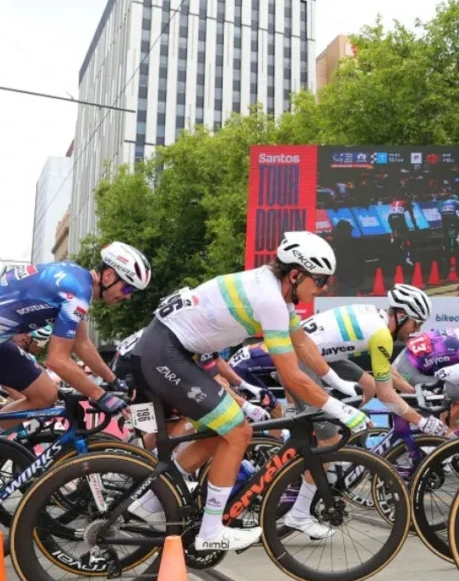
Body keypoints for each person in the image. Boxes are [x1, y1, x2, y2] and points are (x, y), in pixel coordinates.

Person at [129, 232, 367, 549]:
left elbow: (303, 343)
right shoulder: (269, 299)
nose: (323, 288)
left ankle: (151, 501)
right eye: (320, 280)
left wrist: (339, 384)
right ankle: (210, 533)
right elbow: (292, 376)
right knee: (239, 431)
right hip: (165, 353)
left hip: (170, 350)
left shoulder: (274, 290)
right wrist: (341, 410)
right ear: (296, 274)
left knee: (220, 432)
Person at [0, 243, 150, 521]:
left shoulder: (77, 279)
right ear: (109, 277)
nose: (127, 297)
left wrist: (115, 382)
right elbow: (58, 361)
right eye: (127, 289)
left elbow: (82, 344)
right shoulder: (76, 291)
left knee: (45, 394)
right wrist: (102, 396)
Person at [223, 284, 449, 437]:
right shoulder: (381, 334)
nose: (415, 330)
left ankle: (336, 425)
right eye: (416, 324)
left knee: (369, 385)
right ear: (402, 316)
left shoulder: (376, 318)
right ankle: (321, 436)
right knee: (327, 438)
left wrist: (412, 391)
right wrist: (422, 422)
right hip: (301, 359)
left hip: (319, 354)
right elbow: (387, 395)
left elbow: (386, 373)